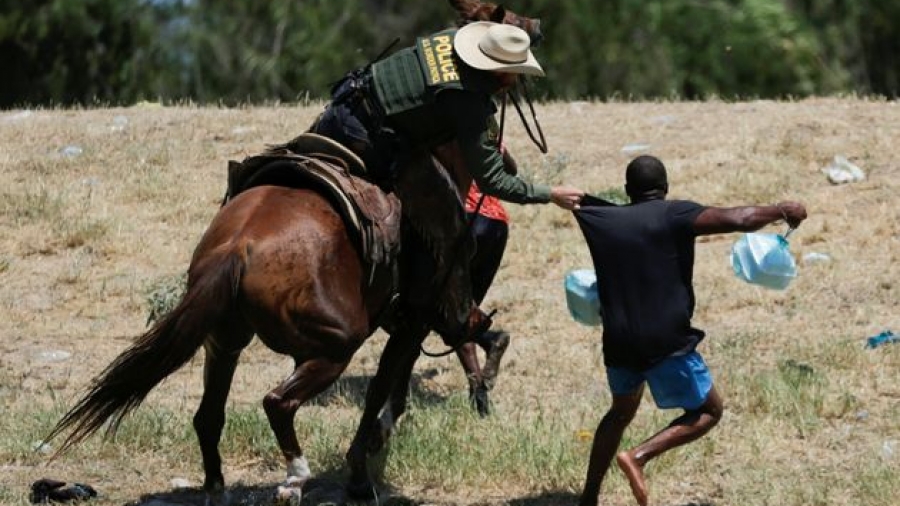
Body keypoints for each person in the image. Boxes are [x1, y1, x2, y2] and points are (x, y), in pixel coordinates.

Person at [312, 21, 584, 347]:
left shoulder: (451, 39)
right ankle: (417, 309)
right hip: (369, 139)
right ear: (498, 72)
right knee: (447, 231)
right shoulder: (468, 102)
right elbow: (493, 179)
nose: (517, 80)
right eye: (515, 72)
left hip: (345, 103)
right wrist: (549, 194)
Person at [572, 155, 807, 506]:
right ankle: (638, 456)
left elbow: (570, 197)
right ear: (665, 190)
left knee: (620, 412)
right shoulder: (674, 214)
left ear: (627, 190)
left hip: (618, 340)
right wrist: (781, 209)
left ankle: (588, 499)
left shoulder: (602, 218)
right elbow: (739, 218)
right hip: (665, 340)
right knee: (709, 411)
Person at [459, 180, 512, 417]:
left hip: (466, 217)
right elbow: (509, 169)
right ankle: (479, 399)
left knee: (456, 310)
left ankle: (489, 340)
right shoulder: (490, 141)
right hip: (497, 222)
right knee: (466, 308)